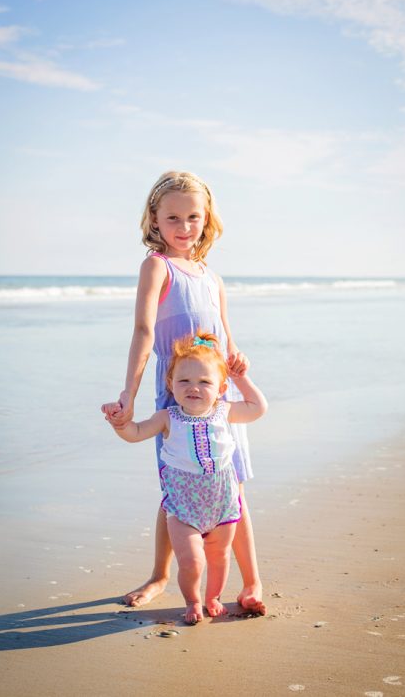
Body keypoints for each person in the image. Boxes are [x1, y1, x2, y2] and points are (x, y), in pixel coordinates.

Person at [101, 170, 266, 615]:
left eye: (194, 216)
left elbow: (227, 338)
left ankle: (252, 583)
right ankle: (159, 576)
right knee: (176, 491)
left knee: (233, 487)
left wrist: (238, 358)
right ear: (154, 219)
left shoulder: (212, 277)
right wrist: (129, 394)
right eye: (173, 216)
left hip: (219, 396)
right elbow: (143, 330)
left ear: (206, 219)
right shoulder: (158, 266)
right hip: (178, 396)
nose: (184, 226)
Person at [106, 332, 267, 624]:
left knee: (219, 558)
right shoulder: (167, 417)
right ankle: (193, 601)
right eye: (184, 381)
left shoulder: (224, 411)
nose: (193, 388)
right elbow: (135, 433)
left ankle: (213, 597)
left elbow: (258, 408)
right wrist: (120, 422)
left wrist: (239, 377)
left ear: (220, 388)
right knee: (192, 560)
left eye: (204, 382)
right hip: (183, 509)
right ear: (171, 384)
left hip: (222, 505)